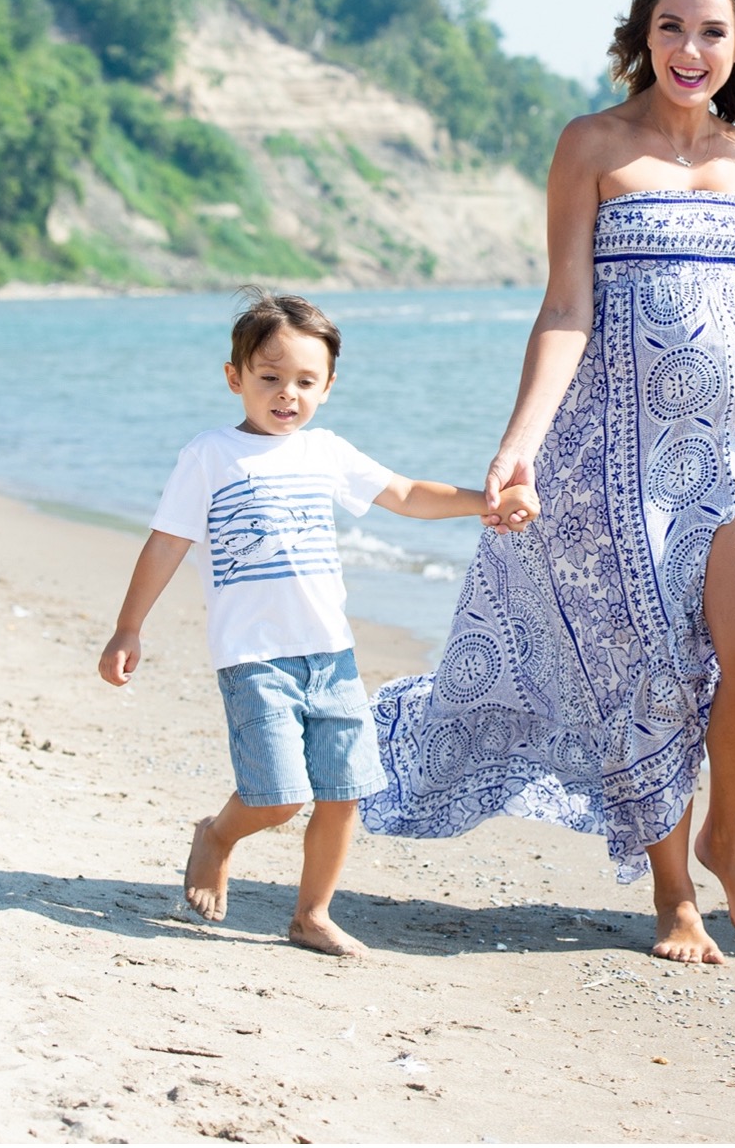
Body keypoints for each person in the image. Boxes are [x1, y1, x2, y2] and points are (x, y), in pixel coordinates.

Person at [359, 0, 735, 964]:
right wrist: (518, 443)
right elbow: (566, 306)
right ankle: (674, 893)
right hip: (610, 456)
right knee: (647, 672)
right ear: (643, 35)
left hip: (733, 451)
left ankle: (726, 833)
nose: (690, 48)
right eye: (672, 27)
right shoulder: (593, 145)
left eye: (712, 30)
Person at [96, 289, 537, 957]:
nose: (286, 394)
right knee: (276, 799)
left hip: (331, 655)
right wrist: (129, 628)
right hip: (253, 656)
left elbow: (407, 494)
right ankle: (216, 835)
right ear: (234, 377)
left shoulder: (325, 452)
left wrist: (489, 502)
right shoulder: (210, 455)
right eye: (269, 378)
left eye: (304, 381)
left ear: (328, 386)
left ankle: (312, 915)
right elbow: (165, 542)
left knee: (343, 793)